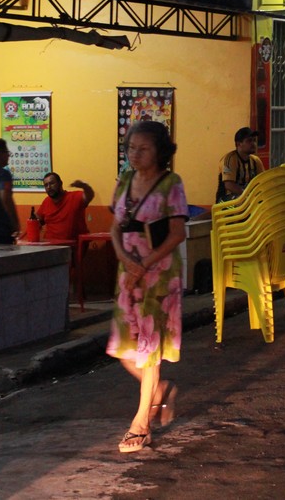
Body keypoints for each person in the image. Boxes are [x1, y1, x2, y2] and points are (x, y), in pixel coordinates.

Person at [108, 121, 188, 453]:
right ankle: (160, 390)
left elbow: (177, 233)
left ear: (160, 152)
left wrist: (145, 263)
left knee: (148, 353)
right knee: (122, 348)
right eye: (131, 148)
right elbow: (114, 228)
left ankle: (140, 426)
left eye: (144, 148)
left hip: (158, 276)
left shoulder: (171, 184)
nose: (135, 154)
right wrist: (126, 260)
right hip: (129, 274)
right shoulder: (125, 181)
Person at [38, 172, 95, 241]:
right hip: (49, 246)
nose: (49, 187)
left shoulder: (74, 197)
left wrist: (85, 186)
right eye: (46, 185)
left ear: (60, 183)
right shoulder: (46, 201)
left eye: (52, 183)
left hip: (72, 246)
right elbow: (36, 220)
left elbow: (89, 196)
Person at [216, 127, 264, 202]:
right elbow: (229, 185)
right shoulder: (230, 159)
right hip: (226, 201)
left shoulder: (256, 161)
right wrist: (249, 195)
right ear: (238, 144)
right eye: (249, 141)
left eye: (254, 140)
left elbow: (262, 181)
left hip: (247, 198)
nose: (253, 143)